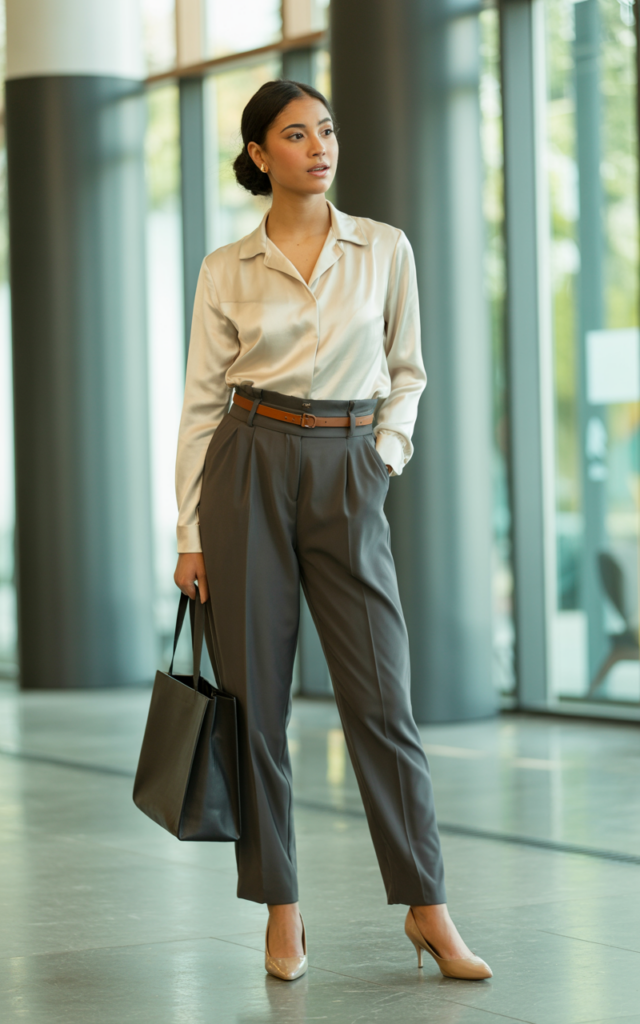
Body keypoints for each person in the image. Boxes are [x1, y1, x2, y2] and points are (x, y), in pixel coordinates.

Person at [174, 79, 492, 984]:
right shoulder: (226, 267)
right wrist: (189, 532)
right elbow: (202, 404)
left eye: (327, 131)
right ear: (258, 155)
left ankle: (427, 905)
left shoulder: (384, 248)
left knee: (382, 700)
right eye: (295, 134)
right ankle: (282, 909)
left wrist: (382, 457)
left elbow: (409, 370)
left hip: (348, 465)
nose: (320, 146)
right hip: (247, 465)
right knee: (255, 704)